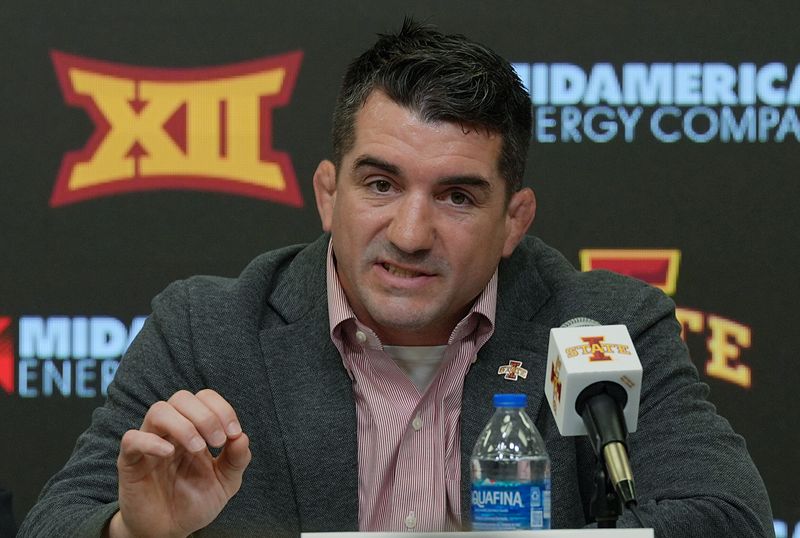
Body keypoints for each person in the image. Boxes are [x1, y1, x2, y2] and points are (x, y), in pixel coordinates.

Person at [19, 19, 773, 538]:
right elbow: (57, 522)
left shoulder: (605, 326)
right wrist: (132, 532)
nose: (411, 235)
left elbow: (727, 519)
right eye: (380, 184)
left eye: (456, 197)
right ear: (327, 193)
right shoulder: (208, 330)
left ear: (515, 220)